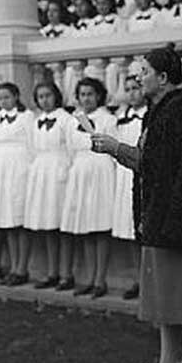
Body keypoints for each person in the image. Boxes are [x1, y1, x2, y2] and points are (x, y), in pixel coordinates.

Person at [91, 46, 182, 363]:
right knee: (165, 299)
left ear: (163, 77)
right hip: (158, 221)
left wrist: (120, 149)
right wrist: (116, 150)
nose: (136, 78)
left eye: (143, 72)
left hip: (181, 225)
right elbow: (154, 165)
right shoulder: (156, 115)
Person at [59, 78, 117, 297]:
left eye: (90, 94)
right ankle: (90, 278)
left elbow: (114, 148)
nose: (86, 98)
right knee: (85, 227)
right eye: (82, 94)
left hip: (100, 169)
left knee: (100, 226)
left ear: (99, 96)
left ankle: (101, 280)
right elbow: (71, 149)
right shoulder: (72, 121)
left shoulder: (108, 119)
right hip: (81, 170)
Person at [20, 81, 74, 288]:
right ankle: (52, 272)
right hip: (42, 173)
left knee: (63, 225)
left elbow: (71, 148)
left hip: (59, 172)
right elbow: (33, 148)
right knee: (47, 225)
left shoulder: (66, 119)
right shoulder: (37, 120)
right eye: (40, 97)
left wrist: (65, 171)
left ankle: (66, 274)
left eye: (48, 96)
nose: (44, 100)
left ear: (57, 96)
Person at [0, 82, 34, 285]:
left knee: (20, 219)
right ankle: (12, 267)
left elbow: (32, 145)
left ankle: (22, 268)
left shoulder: (26, 117)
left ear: (16, 96)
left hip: (20, 169)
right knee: (7, 219)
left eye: (7, 97)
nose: (3, 102)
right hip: (1, 170)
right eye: (0, 98)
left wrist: (28, 171)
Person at [112, 74, 147, 299]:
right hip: (125, 177)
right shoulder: (121, 116)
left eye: (136, 88)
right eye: (128, 89)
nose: (132, 93)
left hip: (143, 174)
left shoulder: (151, 116)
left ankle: (150, 279)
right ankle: (139, 278)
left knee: (146, 228)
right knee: (131, 230)